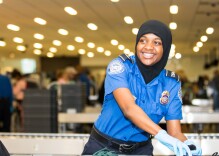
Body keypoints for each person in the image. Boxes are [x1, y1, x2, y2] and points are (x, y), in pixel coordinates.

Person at [82, 20, 202, 156]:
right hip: (103, 147)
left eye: (157, 42)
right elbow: (129, 108)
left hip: (141, 150)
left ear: (166, 48)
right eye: (143, 41)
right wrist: (161, 135)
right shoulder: (120, 67)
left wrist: (186, 144)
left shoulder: (171, 83)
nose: (148, 47)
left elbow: (174, 132)